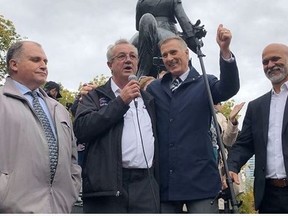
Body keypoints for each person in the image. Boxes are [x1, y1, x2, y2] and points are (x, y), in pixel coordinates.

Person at [146, 25, 240, 213]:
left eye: (173, 52)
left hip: (200, 181)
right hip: (165, 183)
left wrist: (225, 51)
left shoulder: (205, 82)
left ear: (187, 53)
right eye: (165, 55)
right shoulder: (154, 89)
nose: (170, 58)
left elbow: (229, 88)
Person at [73, 39, 160, 213]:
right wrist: (121, 101)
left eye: (133, 56)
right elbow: (82, 129)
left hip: (145, 185)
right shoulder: (94, 95)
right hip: (108, 187)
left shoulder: (149, 100)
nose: (128, 60)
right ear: (110, 65)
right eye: (121, 56)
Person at [0, 41, 81, 213]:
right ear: (14, 64)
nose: (43, 66)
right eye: (36, 60)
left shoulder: (59, 110)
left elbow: (73, 158)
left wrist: (71, 189)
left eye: (45, 61)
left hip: (59, 207)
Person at [227, 43, 288, 213]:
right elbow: (244, 145)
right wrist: (232, 167)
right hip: (268, 196)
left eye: (275, 59)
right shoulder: (256, 107)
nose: (270, 65)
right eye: (265, 62)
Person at [131, 0, 205, 78]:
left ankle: (141, 72)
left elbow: (138, 26)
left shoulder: (141, 2)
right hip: (167, 32)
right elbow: (184, 23)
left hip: (140, 37)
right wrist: (195, 44)